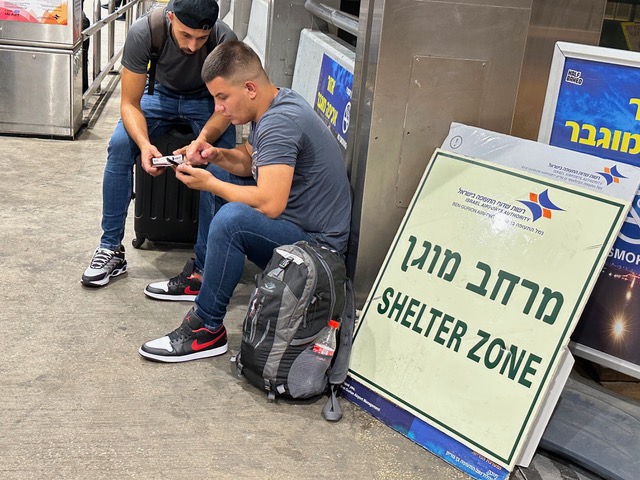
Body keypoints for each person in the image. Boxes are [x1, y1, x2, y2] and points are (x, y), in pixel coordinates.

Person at [138, 40, 352, 363]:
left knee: (231, 221)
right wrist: (215, 156)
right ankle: (203, 275)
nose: (219, 109)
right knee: (219, 182)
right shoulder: (274, 104)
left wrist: (210, 182)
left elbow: (270, 203)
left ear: (250, 88)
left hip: (319, 252)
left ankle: (206, 329)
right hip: (302, 228)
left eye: (222, 98)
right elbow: (249, 161)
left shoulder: (279, 124)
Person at [81, 0, 238, 290]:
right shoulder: (145, 31)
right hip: (159, 95)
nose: (193, 46)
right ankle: (110, 249)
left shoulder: (223, 39)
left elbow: (225, 107)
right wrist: (143, 145)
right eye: (185, 35)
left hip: (206, 101)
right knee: (118, 145)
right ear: (170, 18)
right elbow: (129, 103)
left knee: (222, 159)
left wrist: (202, 142)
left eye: (201, 38)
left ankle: (205, 267)